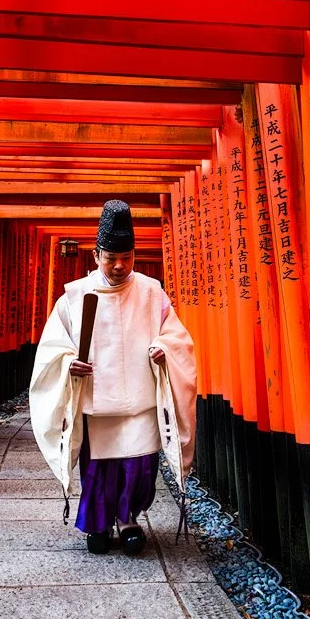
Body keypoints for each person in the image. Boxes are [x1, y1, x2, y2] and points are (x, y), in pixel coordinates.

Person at [30, 200, 197, 555]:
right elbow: (52, 348)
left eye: (127, 257)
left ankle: (129, 519)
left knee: (138, 465)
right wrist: (68, 363)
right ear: (96, 255)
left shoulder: (152, 292)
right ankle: (99, 524)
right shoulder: (74, 297)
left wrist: (162, 349)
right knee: (100, 469)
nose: (119, 266)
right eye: (111, 257)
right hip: (97, 400)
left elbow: (176, 337)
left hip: (140, 399)